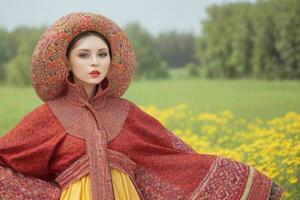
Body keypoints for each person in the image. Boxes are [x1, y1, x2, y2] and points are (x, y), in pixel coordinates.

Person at [0, 12, 283, 200]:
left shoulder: (127, 113)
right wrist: (50, 194)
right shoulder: (48, 117)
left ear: (112, 60)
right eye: (84, 55)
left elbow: (173, 156)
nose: (95, 62)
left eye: (102, 54)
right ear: (67, 63)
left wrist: (244, 179)